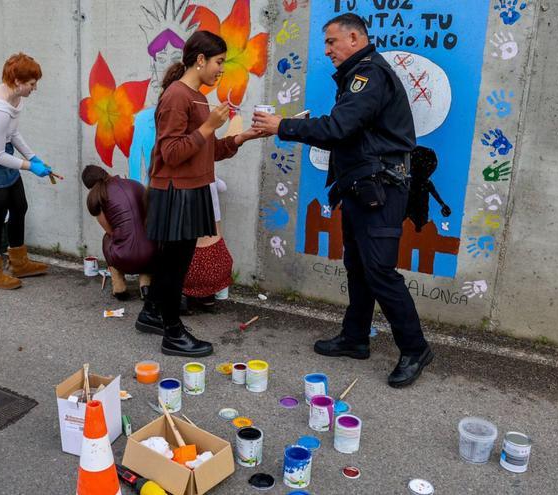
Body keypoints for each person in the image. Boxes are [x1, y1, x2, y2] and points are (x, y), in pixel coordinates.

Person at [253, 13, 433, 388]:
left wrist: (282, 126)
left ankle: (416, 349)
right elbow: (348, 129)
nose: (328, 51)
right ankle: (355, 338)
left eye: (332, 42)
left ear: (354, 38)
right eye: (326, 44)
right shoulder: (358, 76)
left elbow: (338, 128)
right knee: (358, 266)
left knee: (380, 271)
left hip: (380, 189)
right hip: (362, 188)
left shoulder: (368, 76)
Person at [136, 31, 262, 357]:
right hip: (177, 192)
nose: (221, 69)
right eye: (218, 61)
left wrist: (241, 137)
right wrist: (209, 126)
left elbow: (205, 151)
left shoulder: (197, 97)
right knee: (176, 266)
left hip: (189, 189)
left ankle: (151, 314)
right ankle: (173, 334)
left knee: (170, 262)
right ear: (201, 59)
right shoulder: (177, 96)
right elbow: (172, 152)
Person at [0, 53, 53, 290]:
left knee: (19, 206)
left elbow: (13, 133)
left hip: (4, 153)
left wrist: (33, 156)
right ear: (17, 81)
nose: (34, 88)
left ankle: (19, 263)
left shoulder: (15, 98)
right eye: (31, 83)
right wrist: (30, 167)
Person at [81, 164, 155, 300]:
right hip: (152, 254)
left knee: (107, 239)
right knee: (145, 237)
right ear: (106, 173)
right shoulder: (135, 184)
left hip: (124, 258)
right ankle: (146, 285)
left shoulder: (98, 198)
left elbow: (110, 231)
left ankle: (119, 286)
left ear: (90, 188)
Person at [182, 178, 233, 313]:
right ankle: (208, 299)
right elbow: (223, 187)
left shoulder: (181, 181)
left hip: (192, 259)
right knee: (216, 261)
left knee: (183, 264)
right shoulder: (210, 177)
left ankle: (187, 299)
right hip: (215, 260)